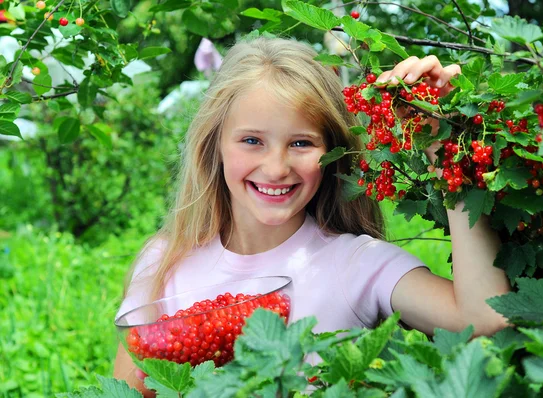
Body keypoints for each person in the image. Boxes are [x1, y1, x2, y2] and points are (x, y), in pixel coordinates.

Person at [113, 36, 511, 395]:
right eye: (252, 140)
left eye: (301, 142)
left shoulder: (358, 263)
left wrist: (444, 154)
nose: (276, 167)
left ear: (333, 152)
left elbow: (487, 321)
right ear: (214, 144)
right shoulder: (165, 260)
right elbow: (131, 389)